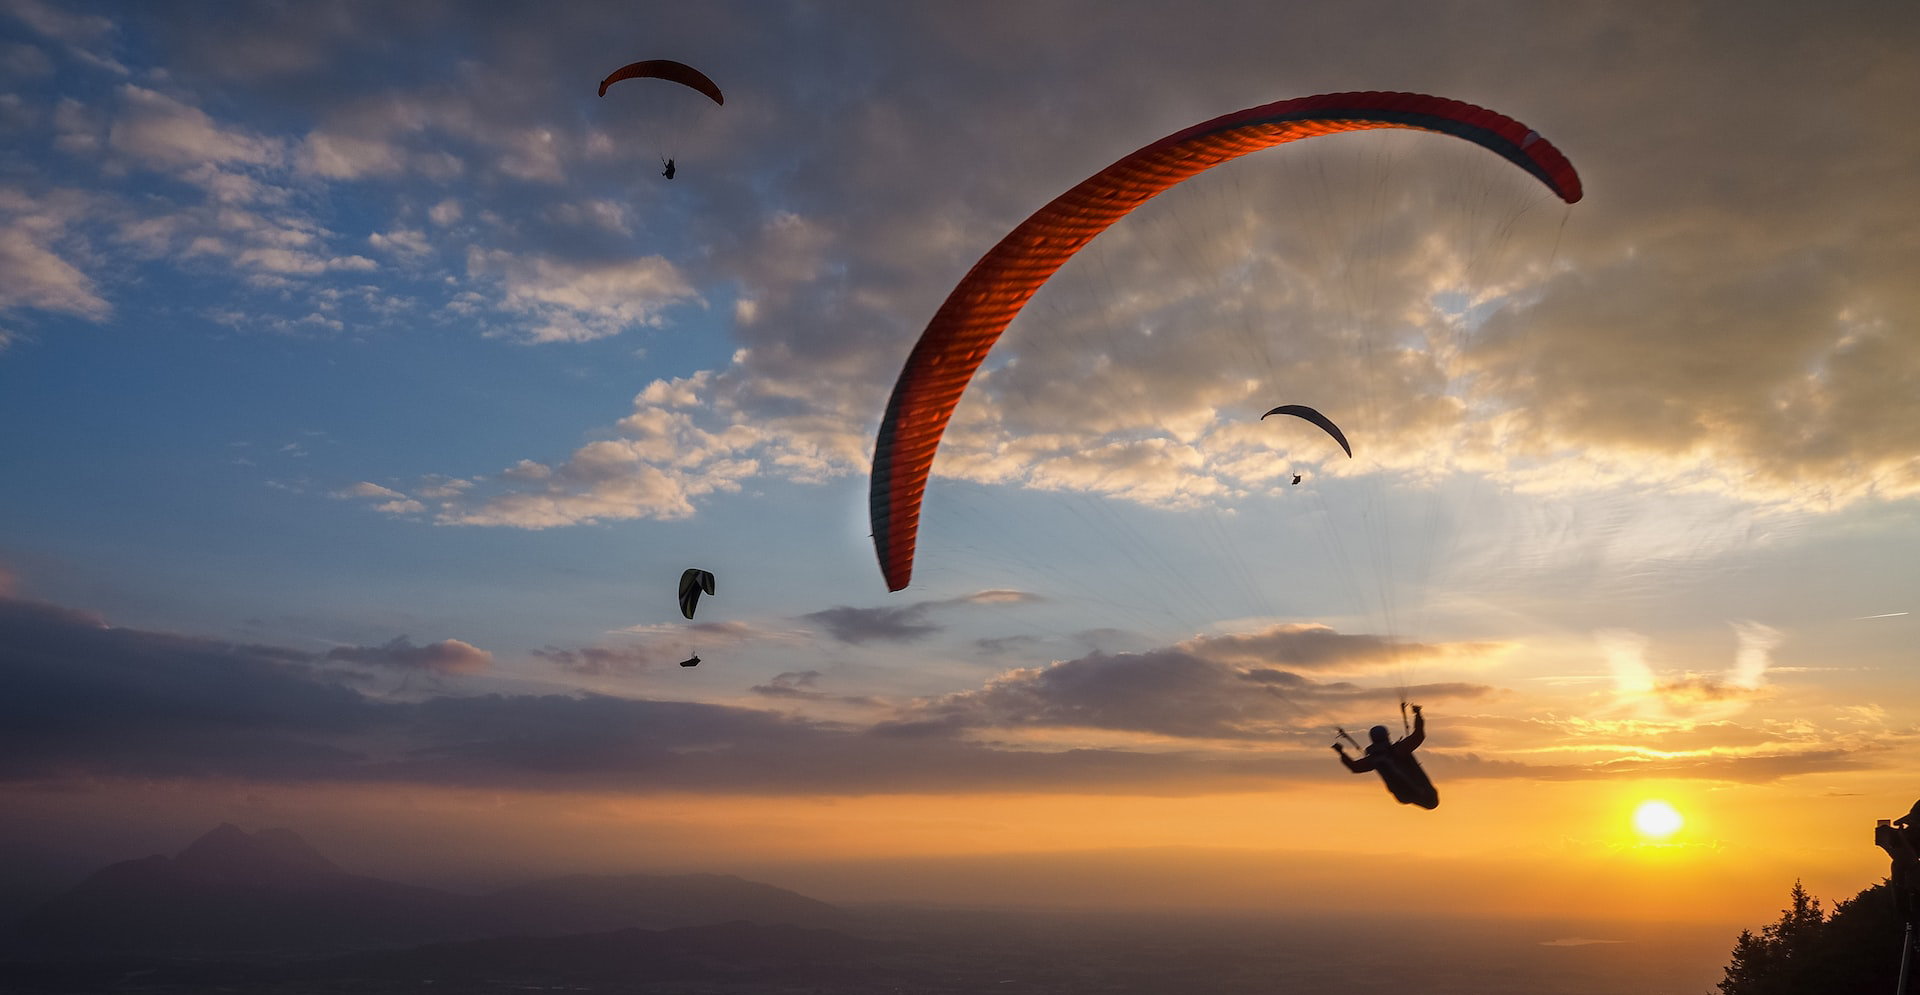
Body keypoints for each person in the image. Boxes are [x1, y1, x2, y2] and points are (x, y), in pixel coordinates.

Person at [1334, 704, 1439, 809]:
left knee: (1429, 802)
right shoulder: (1400, 749)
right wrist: (1418, 714)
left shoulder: (1373, 759)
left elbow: (1355, 767)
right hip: (1421, 790)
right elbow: (1419, 735)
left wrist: (1341, 752)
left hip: (1402, 796)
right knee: (1432, 803)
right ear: (1387, 736)